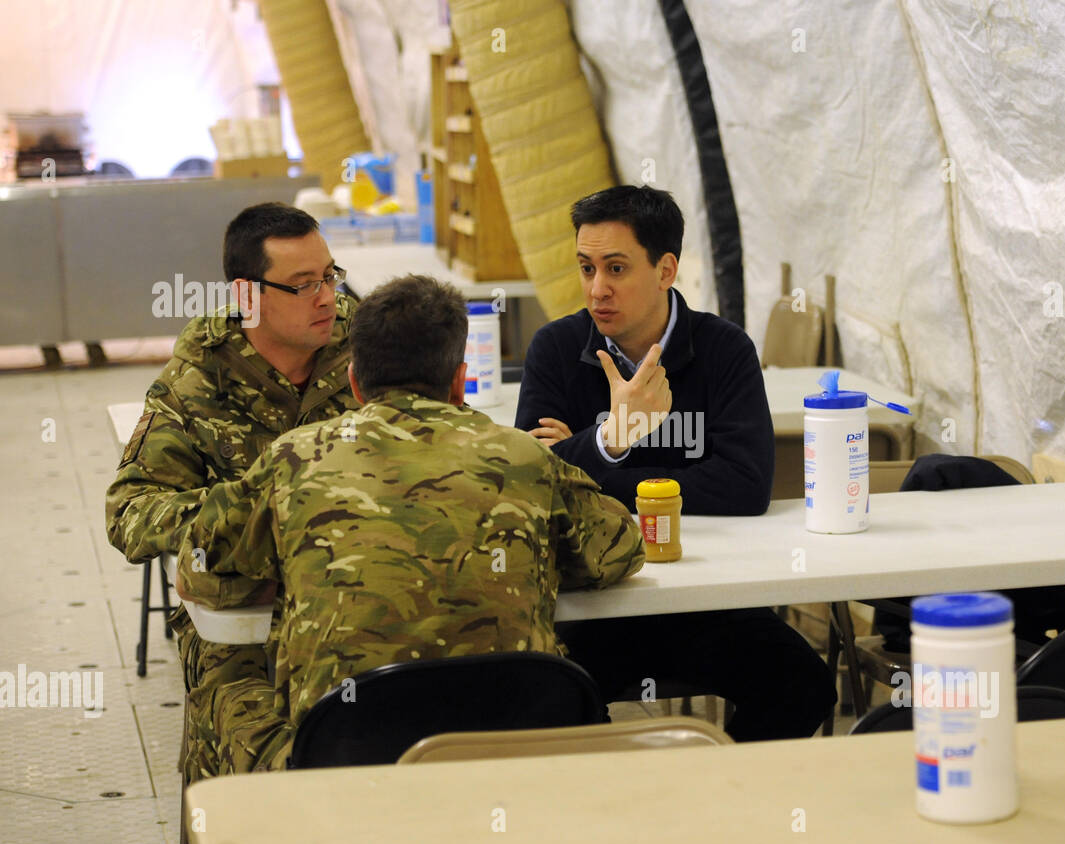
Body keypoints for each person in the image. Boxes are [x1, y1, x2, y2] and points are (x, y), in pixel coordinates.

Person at [177, 275, 644, 773]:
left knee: (223, 689)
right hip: (512, 754)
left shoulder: (293, 458)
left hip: (340, 763)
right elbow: (620, 549)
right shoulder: (525, 457)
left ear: (355, 383)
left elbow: (199, 569)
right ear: (460, 380)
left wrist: (293, 571)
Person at [515, 184, 836, 740]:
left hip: (709, 598)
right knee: (550, 696)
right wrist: (616, 434)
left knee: (803, 683)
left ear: (666, 270)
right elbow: (532, 486)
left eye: (616, 268)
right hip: (590, 600)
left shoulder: (724, 350)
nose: (597, 289)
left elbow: (745, 487)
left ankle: (722, 799)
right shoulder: (555, 348)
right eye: (586, 268)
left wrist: (592, 461)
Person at [105, 202, 359, 784]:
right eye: (303, 285)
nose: (327, 297)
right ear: (248, 297)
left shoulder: (366, 351)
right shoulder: (198, 382)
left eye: (330, 276)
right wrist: (250, 516)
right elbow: (131, 512)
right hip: (248, 632)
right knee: (269, 777)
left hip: (362, 609)